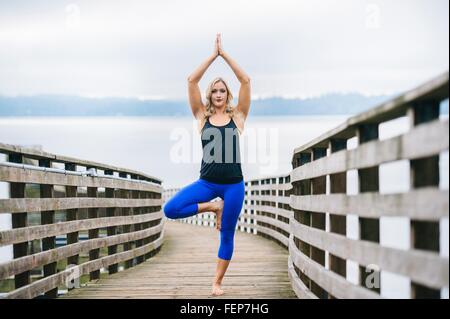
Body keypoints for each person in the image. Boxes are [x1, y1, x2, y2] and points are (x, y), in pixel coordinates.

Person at [163, 33, 251, 296]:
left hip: (234, 185)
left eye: (223, 90)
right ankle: (213, 207)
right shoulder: (202, 117)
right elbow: (191, 80)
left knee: (227, 235)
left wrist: (226, 55)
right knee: (171, 208)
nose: (218, 94)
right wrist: (213, 56)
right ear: (209, 95)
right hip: (207, 183)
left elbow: (246, 80)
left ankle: (217, 282)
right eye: (214, 90)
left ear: (228, 94)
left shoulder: (239, 117)